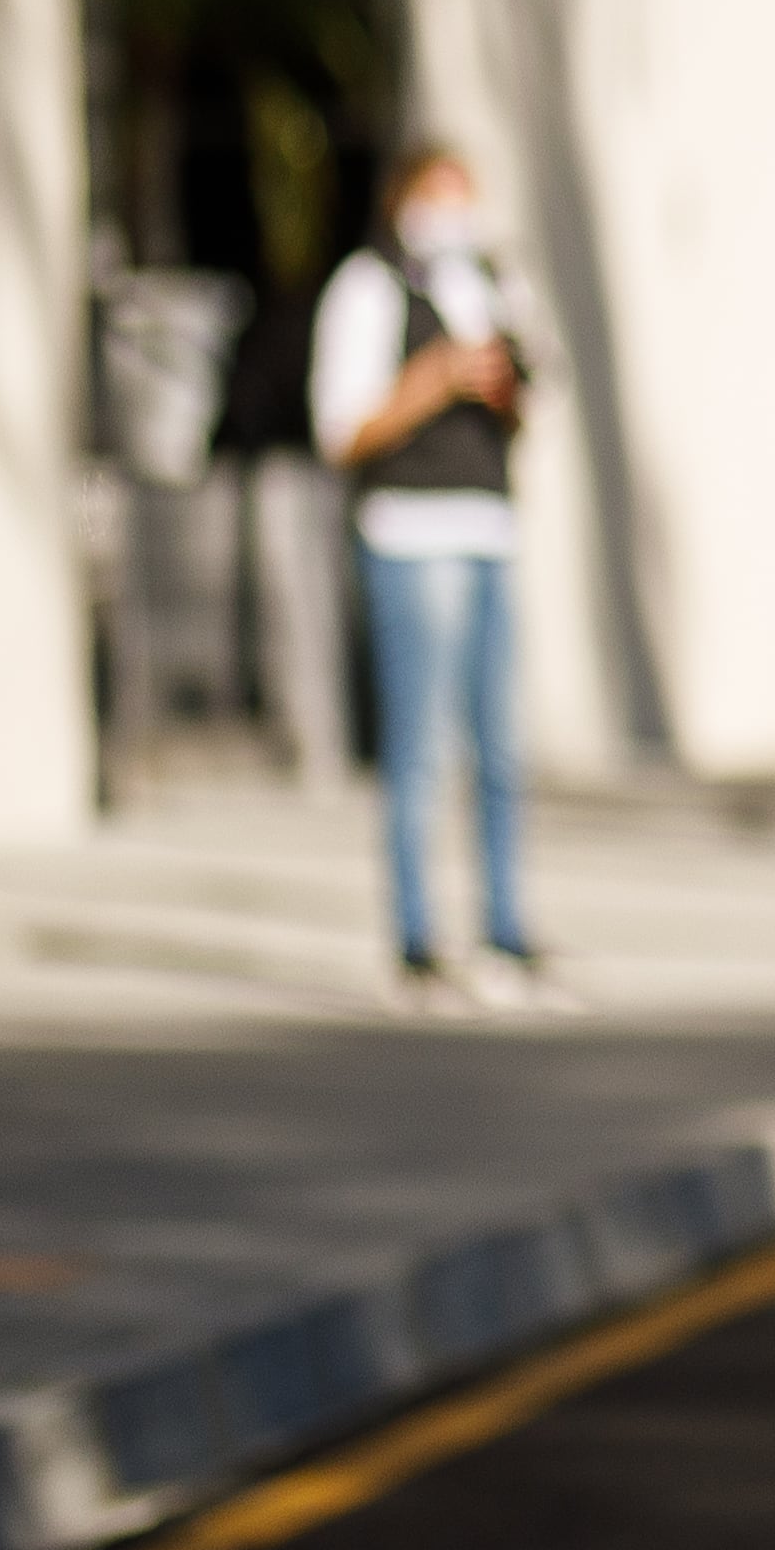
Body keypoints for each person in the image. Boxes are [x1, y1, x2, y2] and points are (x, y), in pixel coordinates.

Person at [310, 146, 556, 1011]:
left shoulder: (494, 282)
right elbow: (342, 430)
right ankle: (416, 946)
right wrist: (432, 380)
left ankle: (505, 936)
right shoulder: (368, 288)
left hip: (488, 527)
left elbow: (526, 408)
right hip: (409, 536)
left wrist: (498, 388)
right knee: (419, 748)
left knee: (501, 748)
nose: (456, 213)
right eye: (438, 196)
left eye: (467, 196)